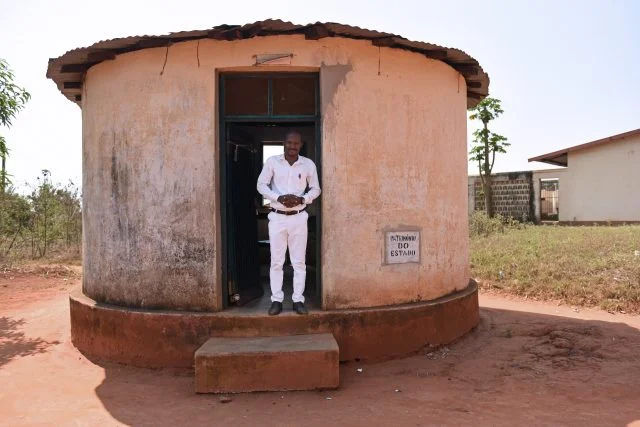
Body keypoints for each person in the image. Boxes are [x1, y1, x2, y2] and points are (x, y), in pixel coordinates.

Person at [257, 130, 321, 315]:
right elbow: (261, 185)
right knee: (276, 262)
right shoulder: (272, 162)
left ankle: (298, 300)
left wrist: (303, 200)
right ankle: (276, 300)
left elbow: (316, 188)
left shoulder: (308, 164)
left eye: (296, 144)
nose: (293, 147)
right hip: (277, 217)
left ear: (300, 145)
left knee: (298, 262)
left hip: (299, 217)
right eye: (289, 143)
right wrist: (279, 197)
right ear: (284, 143)